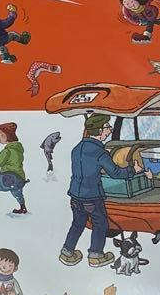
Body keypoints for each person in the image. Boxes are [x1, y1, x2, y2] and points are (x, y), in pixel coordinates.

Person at [59, 114, 144, 268]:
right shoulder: (100, 152)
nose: (110, 130)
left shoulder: (77, 149)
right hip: (92, 196)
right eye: (107, 127)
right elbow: (116, 173)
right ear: (99, 131)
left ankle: (67, 252)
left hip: (75, 195)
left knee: (77, 224)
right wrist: (133, 170)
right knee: (100, 224)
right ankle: (96, 255)